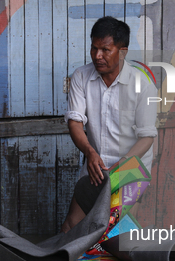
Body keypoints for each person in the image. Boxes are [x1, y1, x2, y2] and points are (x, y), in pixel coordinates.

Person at [61, 16, 158, 233]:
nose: (97, 56)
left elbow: (147, 137)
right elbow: (75, 123)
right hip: (96, 164)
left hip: (130, 167)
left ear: (122, 51)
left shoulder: (142, 85)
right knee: (72, 226)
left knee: (105, 228)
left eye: (105, 50)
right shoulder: (81, 77)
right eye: (94, 48)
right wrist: (90, 152)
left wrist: (121, 167)